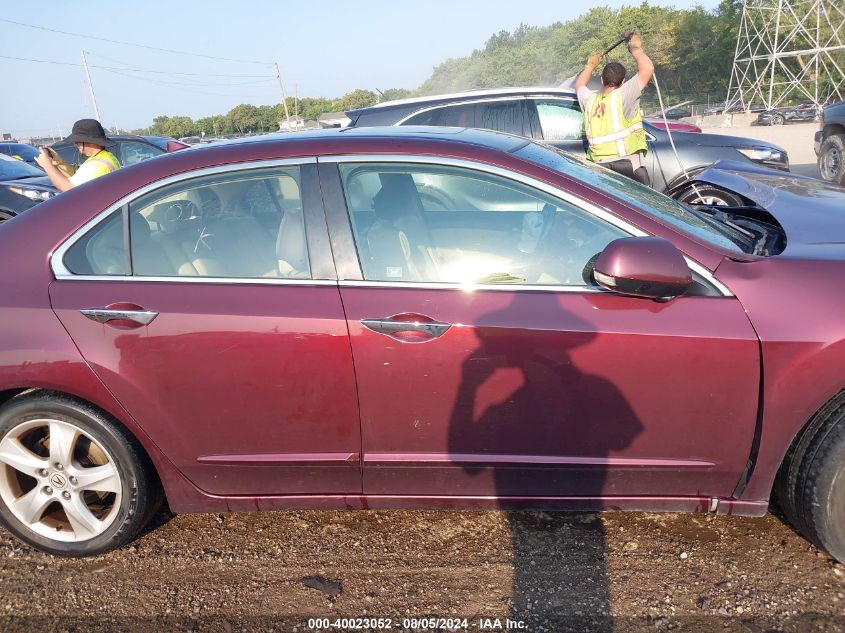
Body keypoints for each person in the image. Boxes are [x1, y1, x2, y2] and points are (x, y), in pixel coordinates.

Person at [574, 34, 655, 186]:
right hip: (628, 169)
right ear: (623, 81)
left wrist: (590, 66)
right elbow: (647, 68)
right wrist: (636, 50)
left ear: (602, 80)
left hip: (598, 170)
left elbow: (579, 85)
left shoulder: (589, 100)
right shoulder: (624, 95)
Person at [35, 119, 120, 191]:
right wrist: (60, 162)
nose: (75, 144)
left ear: (90, 142)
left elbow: (68, 187)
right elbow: (77, 176)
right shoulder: (105, 157)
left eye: (78, 141)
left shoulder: (96, 166)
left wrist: (47, 165)